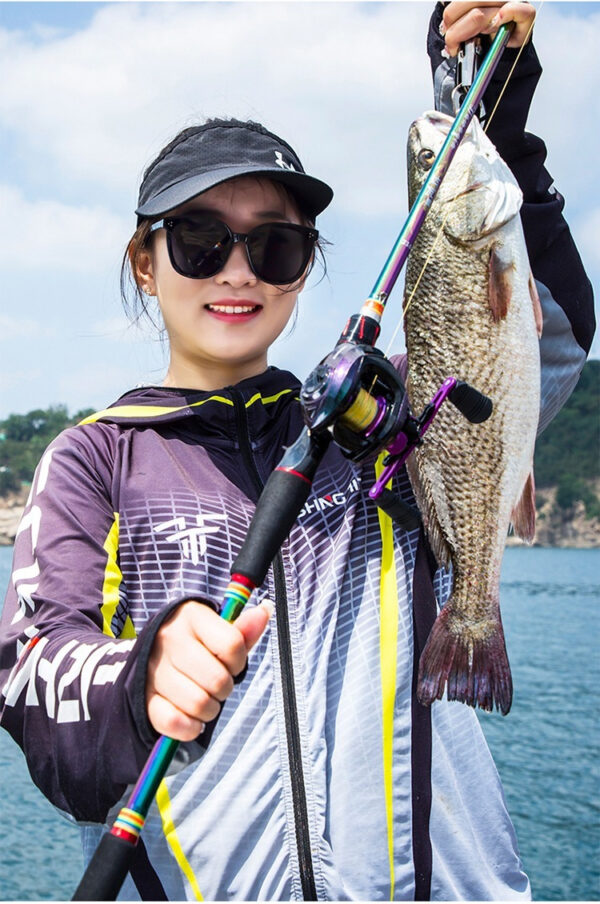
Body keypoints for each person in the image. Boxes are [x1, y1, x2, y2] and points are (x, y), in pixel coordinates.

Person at [0, 2, 594, 900]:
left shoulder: (385, 418)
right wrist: (140, 675)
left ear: (305, 267)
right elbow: (34, 679)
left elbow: (544, 335)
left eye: (274, 245)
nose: (238, 270)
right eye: (201, 241)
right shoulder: (95, 462)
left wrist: (494, 107)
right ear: (145, 262)